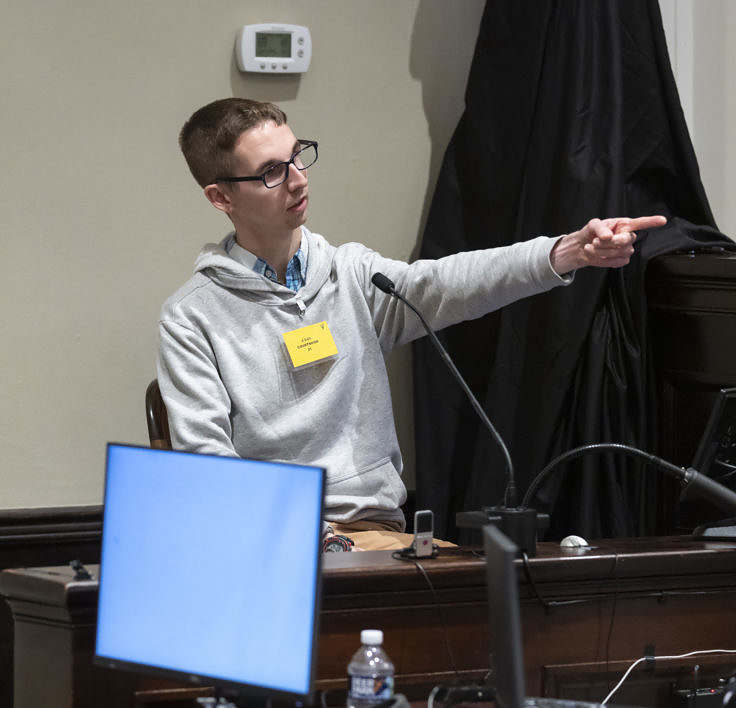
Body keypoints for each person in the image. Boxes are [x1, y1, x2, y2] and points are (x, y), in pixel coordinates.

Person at [156, 97, 664, 551]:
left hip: (376, 532)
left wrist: (566, 251)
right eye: (271, 171)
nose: (298, 179)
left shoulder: (352, 273)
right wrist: (303, 535)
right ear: (221, 198)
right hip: (271, 543)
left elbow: (448, 283)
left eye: (297, 156)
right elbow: (209, 468)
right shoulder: (193, 316)